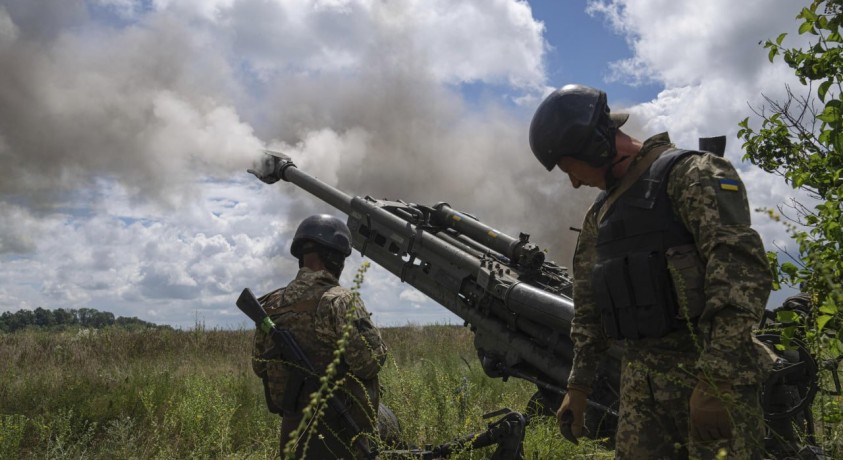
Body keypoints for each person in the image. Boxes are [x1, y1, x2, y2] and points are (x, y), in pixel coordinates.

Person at [529, 84, 775, 459]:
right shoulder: (601, 215)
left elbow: (741, 276)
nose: (574, 182)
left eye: (570, 169)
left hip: (710, 382)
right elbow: (589, 308)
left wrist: (716, 378)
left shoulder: (691, 175)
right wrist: (578, 388)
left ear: (593, 146)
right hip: (641, 391)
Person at [251, 214, 388, 459]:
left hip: (292, 432)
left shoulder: (271, 304)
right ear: (335, 258)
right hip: (342, 434)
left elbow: (259, 367)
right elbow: (369, 364)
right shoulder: (340, 300)